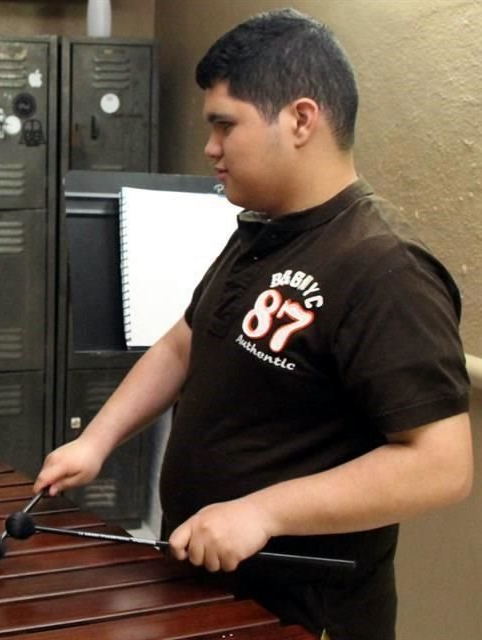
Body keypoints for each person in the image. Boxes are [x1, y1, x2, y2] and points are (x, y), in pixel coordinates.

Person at [33, 8, 473, 640]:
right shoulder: (261, 231)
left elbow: (441, 465)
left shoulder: (384, 270)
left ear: (300, 119)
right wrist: (96, 442)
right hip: (215, 591)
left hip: (303, 616)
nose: (210, 148)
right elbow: (183, 344)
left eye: (224, 125)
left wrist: (262, 512)